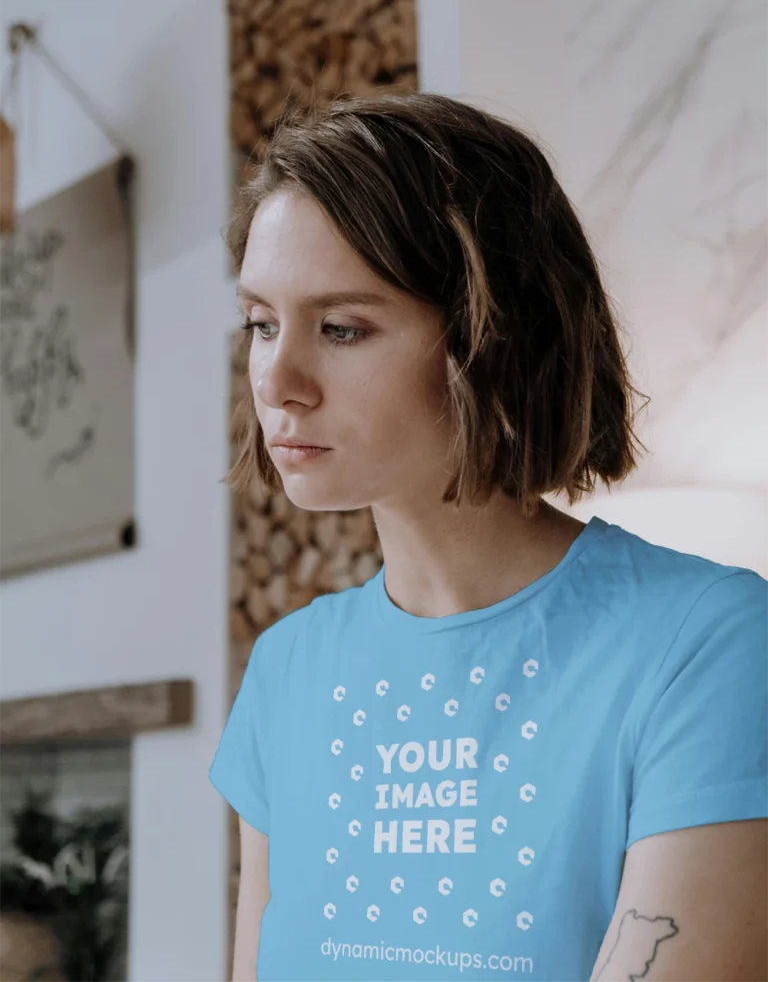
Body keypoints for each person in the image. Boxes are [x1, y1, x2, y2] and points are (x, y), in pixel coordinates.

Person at [209, 93, 768, 982]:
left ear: (491, 335)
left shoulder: (706, 642)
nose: (278, 379)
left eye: (342, 327)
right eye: (261, 324)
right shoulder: (287, 670)